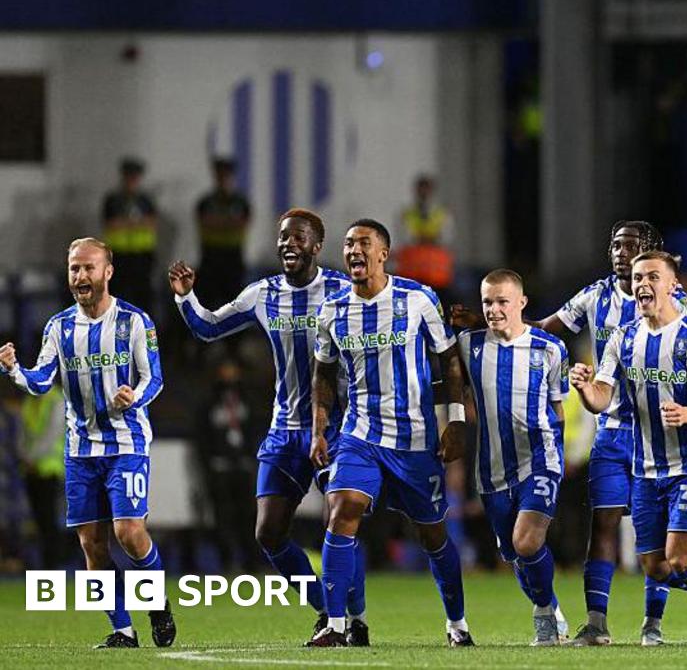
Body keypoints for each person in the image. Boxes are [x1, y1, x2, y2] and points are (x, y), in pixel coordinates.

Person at [451, 220, 687, 646]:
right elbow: (545, 327)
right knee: (602, 524)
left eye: (629, 246)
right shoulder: (595, 295)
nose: (620, 253)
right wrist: (493, 318)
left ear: (651, 251)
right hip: (611, 429)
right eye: (614, 245)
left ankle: (654, 622)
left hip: (658, 433)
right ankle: (596, 623)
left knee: (656, 547)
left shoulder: (676, 299)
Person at [168, 208, 361, 643]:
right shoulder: (263, 294)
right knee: (269, 533)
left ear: (316, 245)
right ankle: (328, 609)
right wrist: (185, 297)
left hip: (336, 427)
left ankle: (353, 618)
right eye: (282, 237)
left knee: (341, 521)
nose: (287, 244)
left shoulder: (341, 290)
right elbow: (207, 327)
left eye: (298, 238)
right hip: (284, 429)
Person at [0, 238, 175, 648]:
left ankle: (157, 604)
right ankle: (122, 630)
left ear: (107, 272)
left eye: (88, 268)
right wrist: (13, 370)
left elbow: (155, 378)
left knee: (129, 532)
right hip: (81, 451)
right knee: (92, 546)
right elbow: (42, 380)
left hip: (126, 443)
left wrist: (135, 397)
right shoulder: (58, 327)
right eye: (74, 269)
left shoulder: (134, 321)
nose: (80, 276)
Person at [308, 219, 472, 647]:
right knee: (342, 509)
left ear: (384, 253)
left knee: (433, 535)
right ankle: (338, 624)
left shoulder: (416, 298)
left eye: (363, 243)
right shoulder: (333, 309)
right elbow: (323, 374)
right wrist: (319, 429)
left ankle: (457, 623)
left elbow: (449, 360)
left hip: (415, 441)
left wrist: (454, 419)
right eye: (347, 244)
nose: (353, 251)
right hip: (359, 435)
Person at [570, 250, 687, 647]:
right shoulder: (623, 340)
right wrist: (585, 388)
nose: (643, 284)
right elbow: (603, 397)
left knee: (679, 558)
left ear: (673, 284)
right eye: (639, 277)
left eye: (653, 277)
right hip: (645, 469)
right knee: (655, 567)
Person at [458, 269, 570, 645]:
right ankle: (551, 606)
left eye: (502, 301)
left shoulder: (550, 349)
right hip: (491, 469)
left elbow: (558, 409)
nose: (493, 309)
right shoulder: (467, 346)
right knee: (514, 554)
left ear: (521, 303)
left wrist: (557, 453)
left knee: (526, 541)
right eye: (487, 301)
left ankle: (542, 616)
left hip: (540, 459)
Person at [102, 158, 159, 310]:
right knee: (117, 299)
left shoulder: (146, 201)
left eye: (135, 177)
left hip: (142, 256)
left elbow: (152, 223)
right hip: (119, 257)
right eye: (129, 176)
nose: (132, 181)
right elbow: (111, 224)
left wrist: (125, 223)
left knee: (144, 298)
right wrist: (137, 223)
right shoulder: (113, 200)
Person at [194, 157, 252, 306]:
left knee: (234, 302)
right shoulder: (205, 202)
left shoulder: (241, 202)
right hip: (210, 258)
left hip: (233, 258)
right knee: (208, 302)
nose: (222, 180)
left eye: (226, 176)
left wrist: (217, 222)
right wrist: (228, 222)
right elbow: (204, 223)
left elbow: (243, 224)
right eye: (220, 176)